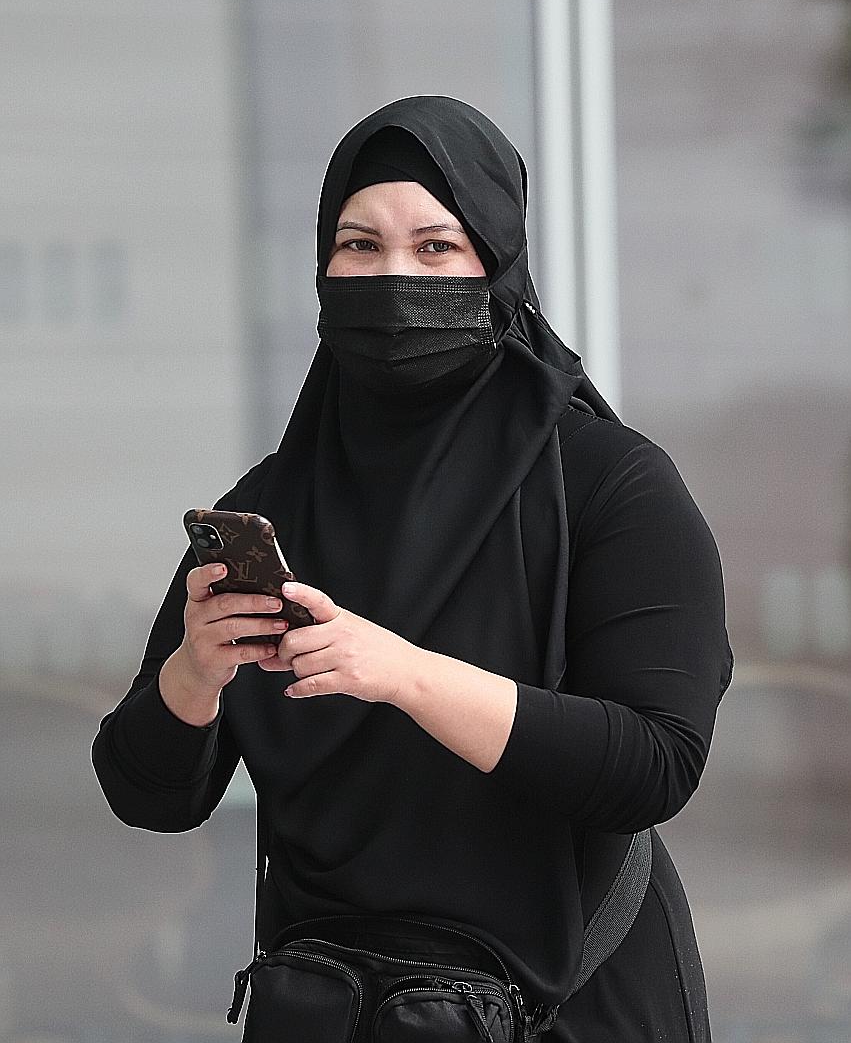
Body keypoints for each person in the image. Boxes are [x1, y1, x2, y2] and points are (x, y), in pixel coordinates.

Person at [92, 95, 733, 1041]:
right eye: (358, 245)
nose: (392, 275)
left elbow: (654, 764)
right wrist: (196, 673)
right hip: (337, 1007)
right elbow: (146, 794)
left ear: (496, 266)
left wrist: (402, 674)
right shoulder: (275, 500)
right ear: (321, 268)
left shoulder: (609, 482)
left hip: (569, 1006)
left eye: (436, 247)